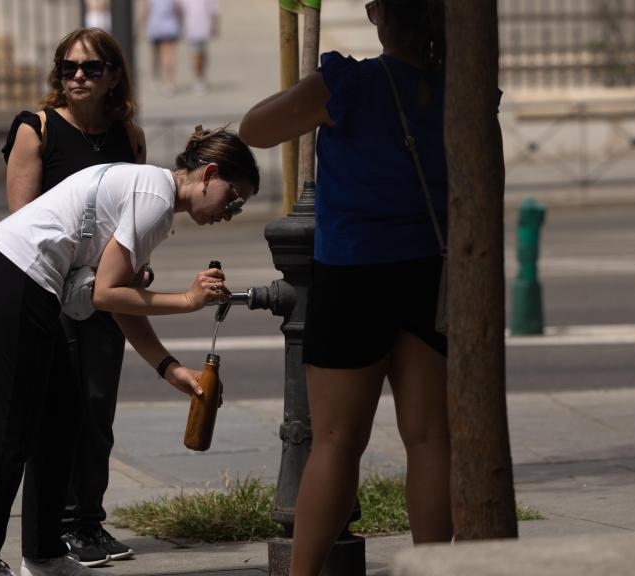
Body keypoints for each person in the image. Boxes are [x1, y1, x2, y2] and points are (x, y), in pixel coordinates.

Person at [0, 126, 260, 576]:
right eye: (233, 198)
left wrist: (169, 368)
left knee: (61, 417)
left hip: (12, 276)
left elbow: (121, 301)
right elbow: (106, 293)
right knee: (8, 434)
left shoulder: (151, 193)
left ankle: (44, 556)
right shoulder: (155, 197)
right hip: (13, 276)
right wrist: (188, 300)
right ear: (209, 174)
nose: (231, 212)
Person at [238, 1, 451, 574]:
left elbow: (255, 129)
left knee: (335, 442)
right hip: (432, 272)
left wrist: (317, 86)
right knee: (430, 440)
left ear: (380, 14)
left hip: (353, 273)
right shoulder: (456, 90)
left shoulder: (349, 83)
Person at [2, 27, 145, 568]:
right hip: (51, 290)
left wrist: (134, 269)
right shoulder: (35, 130)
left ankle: (89, 522)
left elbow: (132, 217)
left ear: (113, 74)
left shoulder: (127, 136)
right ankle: (60, 527)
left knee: (98, 407)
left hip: (104, 293)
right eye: (68, 68)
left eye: (89, 68)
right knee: (57, 411)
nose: (77, 77)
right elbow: (24, 224)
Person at [176, 0, 218, 94]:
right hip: (193, 27)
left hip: (201, 27)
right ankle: (199, 78)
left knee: (201, 53)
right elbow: (180, 10)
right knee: (196, 54)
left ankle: (200, 77)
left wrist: (214, 26)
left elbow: (213, 10)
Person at [143, 0, 181, 94]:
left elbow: (146, 10)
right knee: (165, 55)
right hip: (166, 26)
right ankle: (168, 82)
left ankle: (162, 80)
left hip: (157, 26)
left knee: (162, 55)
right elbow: (178, 10)